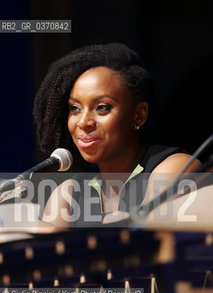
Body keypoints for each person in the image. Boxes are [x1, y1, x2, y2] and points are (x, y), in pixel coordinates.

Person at [33, 42, 200, 228]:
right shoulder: (70, 194)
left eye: (102, 108)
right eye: (75, 108)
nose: (83, 122)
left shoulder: (174, 168)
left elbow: (148, 244)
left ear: (139, 115)